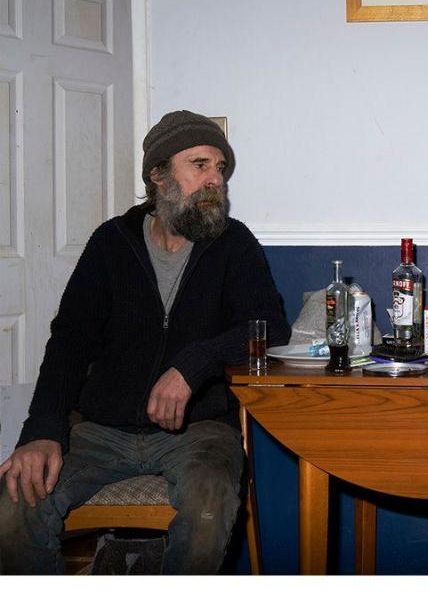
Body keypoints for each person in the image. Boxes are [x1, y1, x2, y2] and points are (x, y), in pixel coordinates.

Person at [0, 110, 291, 574]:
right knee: (14, 502)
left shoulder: (234, 244)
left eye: (221, 169)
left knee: (209, 504)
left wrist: (192, 365)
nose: (215, 179)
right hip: (99, 431)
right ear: (158, 175)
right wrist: (41, 431)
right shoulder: (110, 243)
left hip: (199, 432)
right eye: (200, 165)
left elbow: (270, 328)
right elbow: (69, 343)